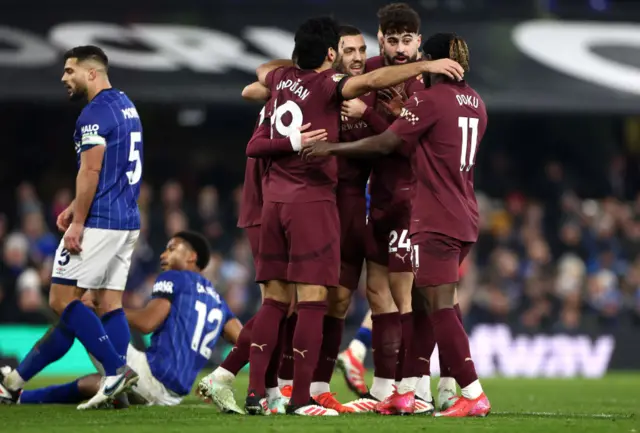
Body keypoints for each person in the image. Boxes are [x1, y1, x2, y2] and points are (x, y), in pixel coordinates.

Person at [241, 16, 463, 417]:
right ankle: (302, 392)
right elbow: (370, 92)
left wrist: (282, 100)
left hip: (316, 203)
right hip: (318, 204)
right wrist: (426, 66)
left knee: (307, 299)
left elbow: (255, 94)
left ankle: (267, 391)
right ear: (333, 55)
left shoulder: (288, 81)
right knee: (317, 301)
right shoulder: (333, 85)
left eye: (363, 51)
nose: (360, 58)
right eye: (350, 50)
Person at [301, 32, 490, 418]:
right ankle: (406, 391)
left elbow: (387, 144)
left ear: (431, 59)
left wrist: (330, 147)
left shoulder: (429, 99)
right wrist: (408, 113)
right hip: (465, 213)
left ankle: (471, 391)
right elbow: (433, 143)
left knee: (439, 308)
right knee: (423, 306)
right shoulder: (476, 104)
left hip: (435, 216)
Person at [0, 45, 142, 409]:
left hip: (101, 221)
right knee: (107, 304)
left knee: (61, 300)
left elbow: (91, 170)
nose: (64, 78)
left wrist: (78, 221)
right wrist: (75, 211)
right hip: (126, 220)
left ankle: (115, 371)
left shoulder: (92, 114)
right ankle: (16, 383)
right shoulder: (126, 105)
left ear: (91, 73)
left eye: (69, 71)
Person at [3, 232, 242, 408]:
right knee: (95, 382)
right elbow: (245, 341)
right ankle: (24, 396)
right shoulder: (218, 302)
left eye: (172, 248)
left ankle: (14, 382)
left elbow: (149, 321)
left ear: (191, 257)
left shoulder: (176, 278)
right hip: (172, 396)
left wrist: (107, 308)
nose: (163, 254)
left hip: (152, 375)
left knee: (74, 311)